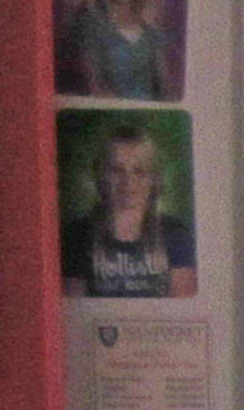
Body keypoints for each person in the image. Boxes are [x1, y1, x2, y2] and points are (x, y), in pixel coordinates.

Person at [70, 117, 196, 297]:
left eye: (139, 171)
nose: (128, 182)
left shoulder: (176, 235)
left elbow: (184, 307)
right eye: (116, 171)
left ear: (154, 179)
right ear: (100, 175)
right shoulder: (77, 235)